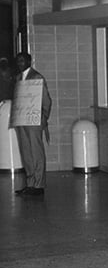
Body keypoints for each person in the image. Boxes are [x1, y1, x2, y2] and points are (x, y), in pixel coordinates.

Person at [14, 52, 52, 196]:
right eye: (18, 61)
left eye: (22, 61)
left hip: (34, 121)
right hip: (22, 120)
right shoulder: (18, 78)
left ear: (29, 61)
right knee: (26, 152)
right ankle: (30, 184)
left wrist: (43, 118)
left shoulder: (37, 77)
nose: (20, 64)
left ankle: (39, 185)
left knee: (36, 152)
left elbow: (47, 100)